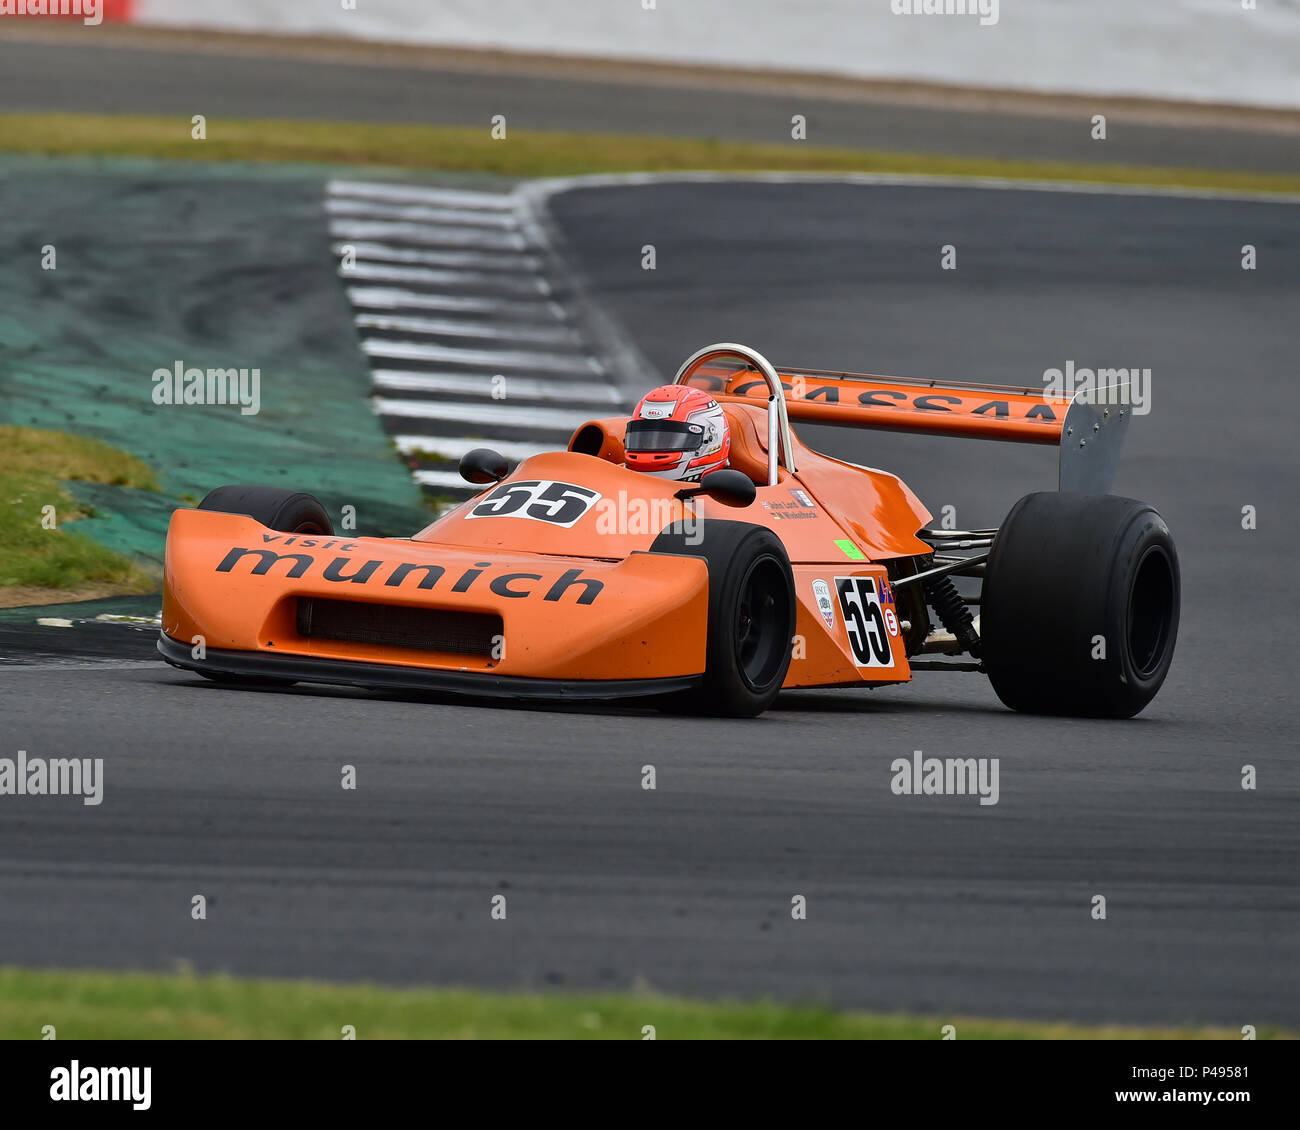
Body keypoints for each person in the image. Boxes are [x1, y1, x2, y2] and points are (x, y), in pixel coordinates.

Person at [622, 386, 731, 481]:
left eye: (666, 440)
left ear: (711, 439)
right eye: (644, 439)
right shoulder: (617, 476)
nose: (651, 446)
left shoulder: (727, 497)